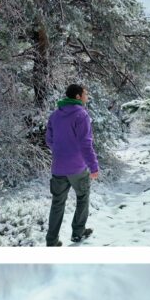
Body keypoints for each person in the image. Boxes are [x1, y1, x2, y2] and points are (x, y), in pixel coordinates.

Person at [45, 83, 99, 246]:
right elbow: (86, 143)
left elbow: (49, 140)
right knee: (82, 197)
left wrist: (61, 151)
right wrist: (93, 166)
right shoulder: (81, 115)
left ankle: (51, 241)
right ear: (78, 96)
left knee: (57, 204)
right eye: (85, 94)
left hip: (58, 167)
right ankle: (78, 232)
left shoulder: (55, 115)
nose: (87, 97)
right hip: (77, 168)